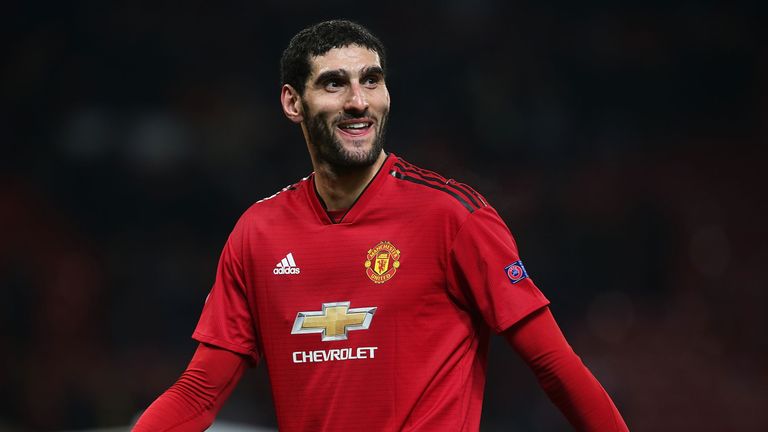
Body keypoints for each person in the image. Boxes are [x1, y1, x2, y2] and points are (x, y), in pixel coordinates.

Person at [133, 19, 629, 431]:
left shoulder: (453, 214)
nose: (358, 101)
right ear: (292, 103)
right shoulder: (257, 232)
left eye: (371, 80)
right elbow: (199, 392)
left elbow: (555, 366)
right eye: (334, 83)